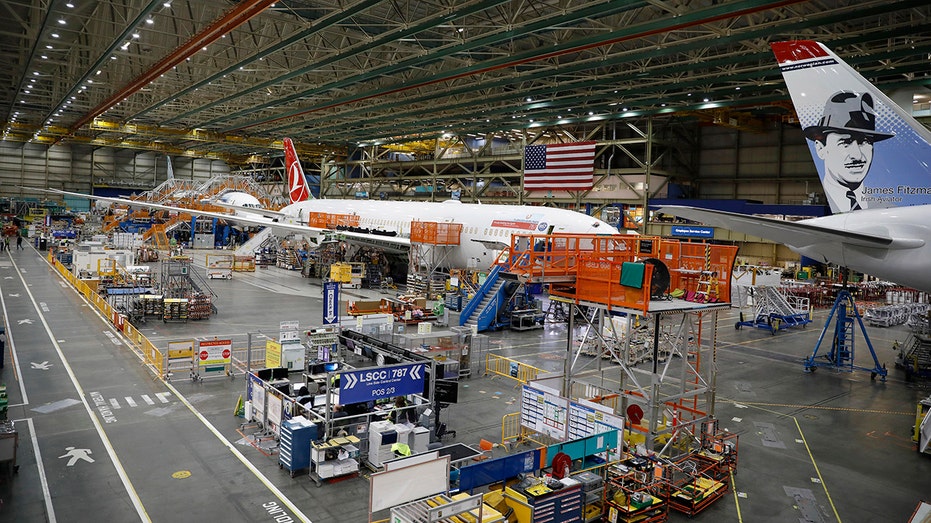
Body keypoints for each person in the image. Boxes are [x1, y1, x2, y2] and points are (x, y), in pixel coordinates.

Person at [803, 91, 894, 212]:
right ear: (820, 149)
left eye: (865, 142)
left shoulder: (887, 208)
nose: (857, 155)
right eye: (845, 142)